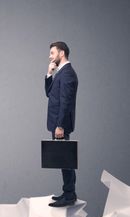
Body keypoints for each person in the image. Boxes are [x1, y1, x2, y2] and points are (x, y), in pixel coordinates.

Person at [45, 41, 78, 207]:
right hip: (58, 123)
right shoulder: (61, 72)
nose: (50, 56)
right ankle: (68, 192)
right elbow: (49, 94)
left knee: (66, 160)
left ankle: (70, 194)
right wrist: (49, 74)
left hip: (60, 124)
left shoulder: (68, 74)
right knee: (64, 159)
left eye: (52, 53)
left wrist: (60, 126)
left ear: (61, 53)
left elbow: (66, 102)